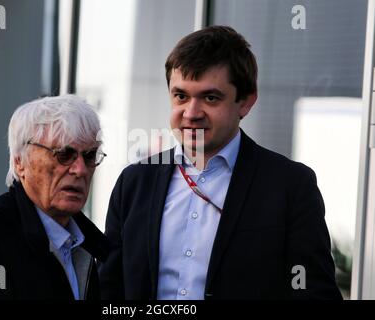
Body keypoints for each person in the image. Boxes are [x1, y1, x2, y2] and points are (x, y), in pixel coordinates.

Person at [98, 26, 342, 300]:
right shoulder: (134, 182)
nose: (191, 113)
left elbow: (314, 293)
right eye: (181, 96)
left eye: (210, 98)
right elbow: (109, 289)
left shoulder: (290, 186)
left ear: (246, 102)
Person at [0, 95, 109, 299]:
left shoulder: (88, 244)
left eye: (89, 156)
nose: (80, 169)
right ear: (19, 163)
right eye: (63, 154)